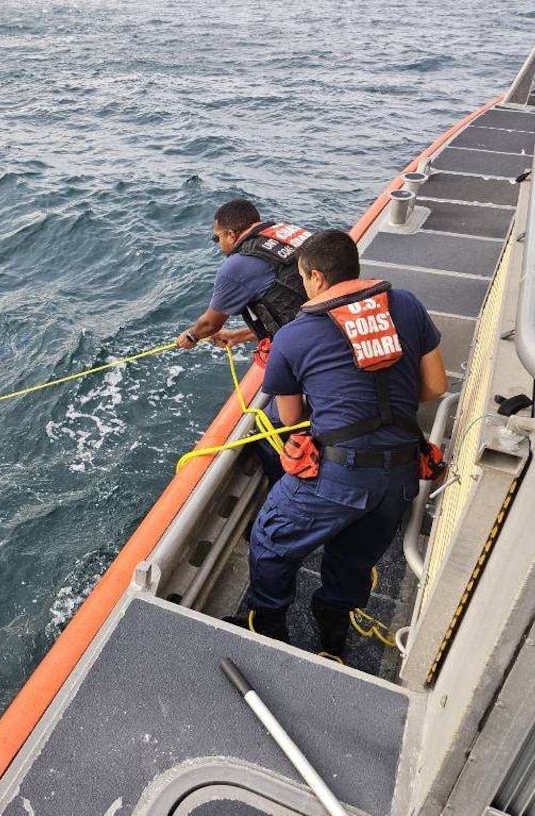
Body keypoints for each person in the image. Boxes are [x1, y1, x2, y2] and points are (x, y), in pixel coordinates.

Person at [237, 229, 447, 659]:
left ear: (315, 277)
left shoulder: (295, 334)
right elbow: (435, 386)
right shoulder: (406, 304)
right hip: (402, 474)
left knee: (271, 539)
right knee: (353, 558)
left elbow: (292, 418)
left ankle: (268, 625)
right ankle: (333, 636)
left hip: (339, 475)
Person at [176, 198, 311, 351]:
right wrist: (239, 336)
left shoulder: (239, 264)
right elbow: (293, 307)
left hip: (309, 343)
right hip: (333, 321)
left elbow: (210, 324)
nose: (219, 245)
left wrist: (192, 336)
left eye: (217, 238)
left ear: (231, 234)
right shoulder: (289, 233)